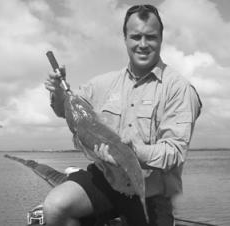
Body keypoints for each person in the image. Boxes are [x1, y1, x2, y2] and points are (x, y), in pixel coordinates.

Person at [44, 4, 202, 226]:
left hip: (152, 192)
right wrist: (60, 93)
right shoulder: (102, 84)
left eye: (151, 37)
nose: (143, 44)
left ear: (161, 38)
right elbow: (65, 111)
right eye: (136, 36)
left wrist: (136, 152)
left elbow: (175, 152)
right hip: (107, 180)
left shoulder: (179, 89)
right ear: (125, 39)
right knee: (55, 208)